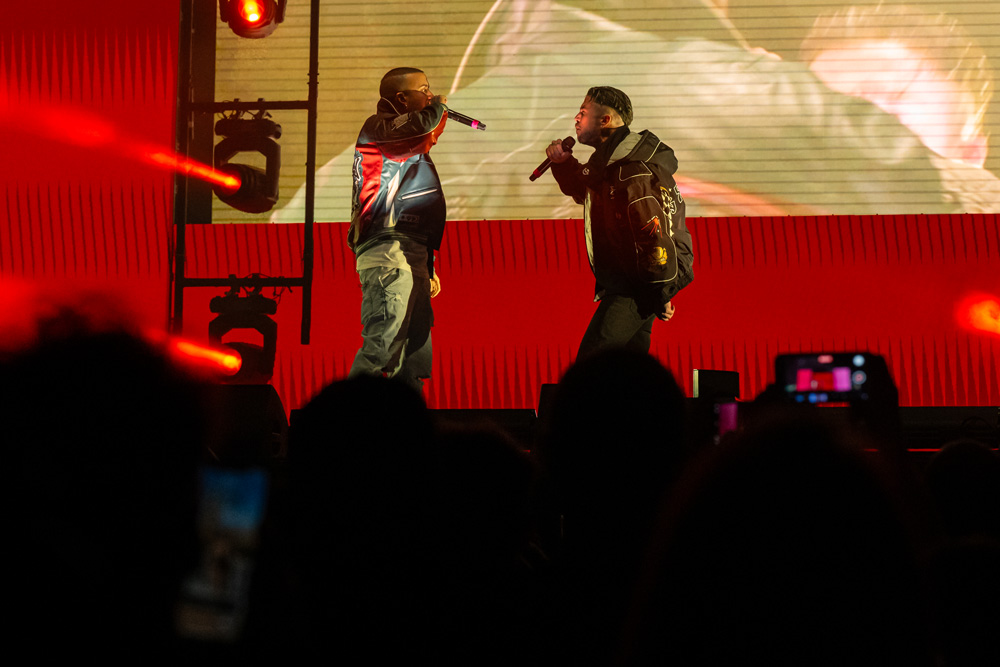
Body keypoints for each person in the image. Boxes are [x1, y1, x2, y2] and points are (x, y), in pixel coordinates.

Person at [543, 86, 694, 358]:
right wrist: (563, 164)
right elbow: (586, 190)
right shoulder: (614, 163)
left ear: (605, 121)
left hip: (633, 286)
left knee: (592, 368)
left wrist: (660, 291)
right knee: (628, 377)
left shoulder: (630, 170)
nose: (576, 119)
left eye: (583, 113)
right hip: (638, 283)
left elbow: (652, 234)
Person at [346, 67, 448, 392]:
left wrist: (428, 267)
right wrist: (438, 108)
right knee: (381, 352)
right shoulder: (378, 128)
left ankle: (408, 434)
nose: (430, 95)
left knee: (413, 361)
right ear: (402, 98)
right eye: (424, 89)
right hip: (386, 254)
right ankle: (345, 426)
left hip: (412, 259)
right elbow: (420, 125)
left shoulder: (410, 148)